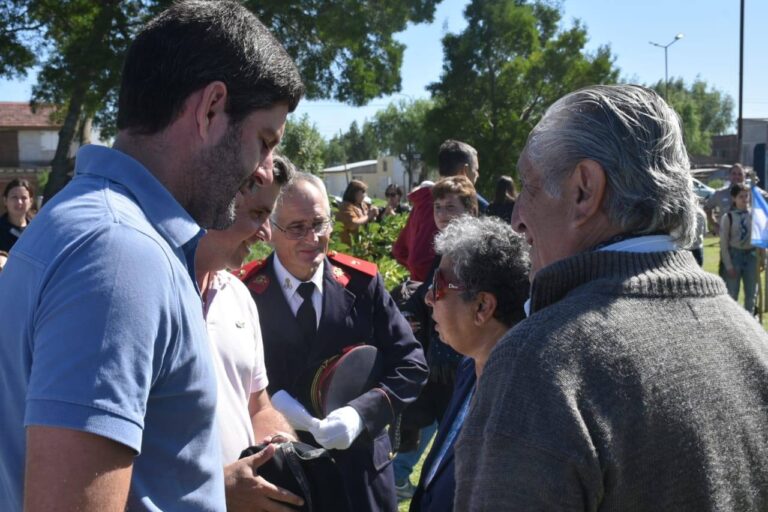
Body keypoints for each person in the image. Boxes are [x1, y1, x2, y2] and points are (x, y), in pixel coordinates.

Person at [0, 1, 304, 510]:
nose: (263, 170)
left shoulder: (80, 223)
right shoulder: (122, 255)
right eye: (264, 140)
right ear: (211, 108)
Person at [455, 84, 768, 511]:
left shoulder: (539, 362)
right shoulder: (752, 342)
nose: (516, 220)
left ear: (584, 190)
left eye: (529, 186)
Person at [241, 172, 428, 512]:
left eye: (319, 224)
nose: (312, 238)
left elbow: (411, 363)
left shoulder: (361, 283)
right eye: (297, 227)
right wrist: (277, 406)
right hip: (287, 479)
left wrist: (360, 415)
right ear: (270, 229)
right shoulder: (246, 293)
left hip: (362, 474)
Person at [196, 155, 306, 511]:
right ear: (218, 201)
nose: (266, 233)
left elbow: (257, 405)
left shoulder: (239, 296)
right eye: (258, 214)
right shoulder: (152, 294)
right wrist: (213, 492)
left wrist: (282, 445)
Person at [409, 215, 529, 512]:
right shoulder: (470, 366)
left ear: (482, 306)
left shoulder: (522, 404)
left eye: (438, 284)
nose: (428, 298)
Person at [392, 175, 478, 500]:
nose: (441, 214)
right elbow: (425, 295)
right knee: (435, 433)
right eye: (438, 207)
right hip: (439, 364)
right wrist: (408, 313)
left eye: (450, 207)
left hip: (468, 366)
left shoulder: (479, 252)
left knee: (460, 444)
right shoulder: (445, 250)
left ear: (470, 210)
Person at [392, 139, 486, 282]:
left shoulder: (426, 201)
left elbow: (400, 250)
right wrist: (437, 288)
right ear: (464, 171)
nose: (477, 175)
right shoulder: (439, 206)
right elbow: (419, 262)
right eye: (476, 170)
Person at [720, 183, 759, 313]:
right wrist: (728, 265)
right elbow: (724, 244)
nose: (744, 199)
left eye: (746, 196)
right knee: (732, 294)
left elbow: (761, 238)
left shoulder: (754, 215)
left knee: (751, 294)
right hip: (734, 256)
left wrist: (763, 258)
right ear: (734, 198)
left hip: (751, 256)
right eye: (741, 197)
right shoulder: (728, 217)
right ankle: (734, 321)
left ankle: (751, 320)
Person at [336, 179, 379, 244]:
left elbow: (368, 221)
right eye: (363, 192)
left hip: (363, 245)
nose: (365, 195)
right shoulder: (345, 206)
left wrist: (374, 214)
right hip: (350, 246)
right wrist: (369, 216)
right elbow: (353, 224)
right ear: (354, 193)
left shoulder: (362, 204)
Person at [0, 178, 35, 252]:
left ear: (31, 202)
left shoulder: (37, 229)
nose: (19, 202)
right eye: (14, 197)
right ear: (5, 200)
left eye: (24, 198)